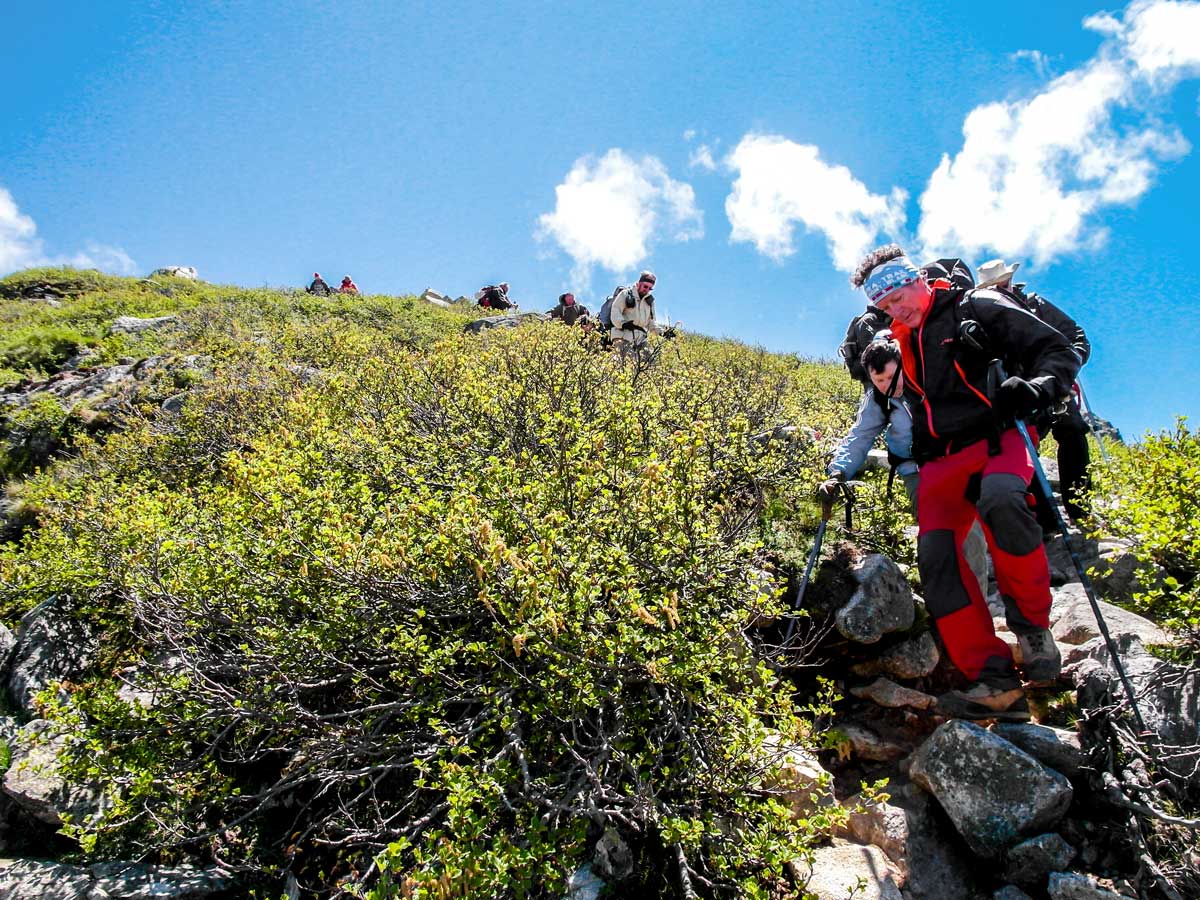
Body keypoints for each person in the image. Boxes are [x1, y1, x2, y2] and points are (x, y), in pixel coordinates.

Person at [851, 244, 1080, 721]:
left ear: (917, 278)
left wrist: (1040, 388)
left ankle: (1034, 633)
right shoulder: (897, 338)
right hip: (939, 459)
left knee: (1002, 502)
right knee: (937, 558)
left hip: (999, 436)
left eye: (899, 296)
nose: (897, 309)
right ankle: (992, 679)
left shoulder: (977, 306)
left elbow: (1057, 348)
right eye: (886, 305)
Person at [976, 259, 1093, 524]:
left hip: (1051, 383)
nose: (999, 288)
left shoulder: (1035, 305)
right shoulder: (986, 315)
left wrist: (1066, 367)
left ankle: (1081, 509)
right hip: (1019, 390)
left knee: (1073, 431)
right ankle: (1046, 520)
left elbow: (1075, 336)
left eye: (1001, 282)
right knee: (1025, 445)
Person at [819, 336, 920, 511]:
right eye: (879, 380)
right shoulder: (876, 399)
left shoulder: (929, 380)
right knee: (932, 519)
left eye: (891, 376)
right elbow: (860, 436)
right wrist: (837, 474)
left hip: (951, 460)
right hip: (913, 470)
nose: (887, 386)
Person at [609, 271, 657, 349]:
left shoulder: (649, 302)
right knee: (624, 360)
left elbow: (651, 323)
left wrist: (664, 332)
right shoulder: (626, 294)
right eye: (645, 286)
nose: (647, 290)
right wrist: (623, 324)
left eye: (650, 288)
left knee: (650, 357)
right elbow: (615, 311)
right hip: (623, 337)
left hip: (640, 340)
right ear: (639, 283)